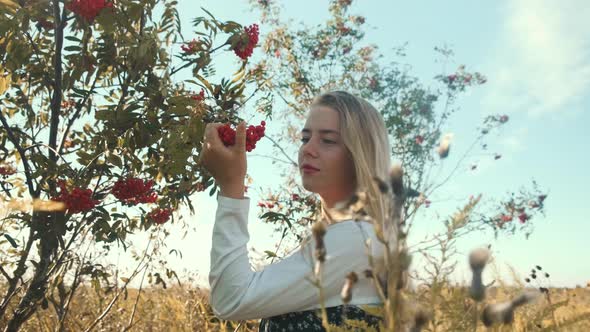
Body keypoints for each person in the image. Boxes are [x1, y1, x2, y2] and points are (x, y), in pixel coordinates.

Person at [199, 91, 395, 331]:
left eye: (328, 140)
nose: (308, 149)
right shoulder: (355, 236)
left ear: (360, 154)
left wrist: (231, 186)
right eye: (305, 138)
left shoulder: (358, 238)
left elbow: (232, 299)